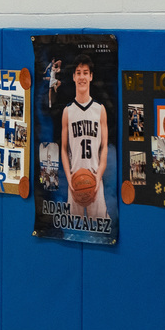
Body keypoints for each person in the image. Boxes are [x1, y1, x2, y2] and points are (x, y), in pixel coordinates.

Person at [60, 54, 108, 219]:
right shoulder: (67, 111)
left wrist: (98, 175)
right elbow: (64, 149)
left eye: (85, 72)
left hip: (95, 179)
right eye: (78, 72)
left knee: (101, 231)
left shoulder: (100, 110)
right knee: (73, 229)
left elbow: (104, 147)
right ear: (73, 77)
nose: (82, 77)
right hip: (75, 181)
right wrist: (70, 178)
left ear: (91, 76)